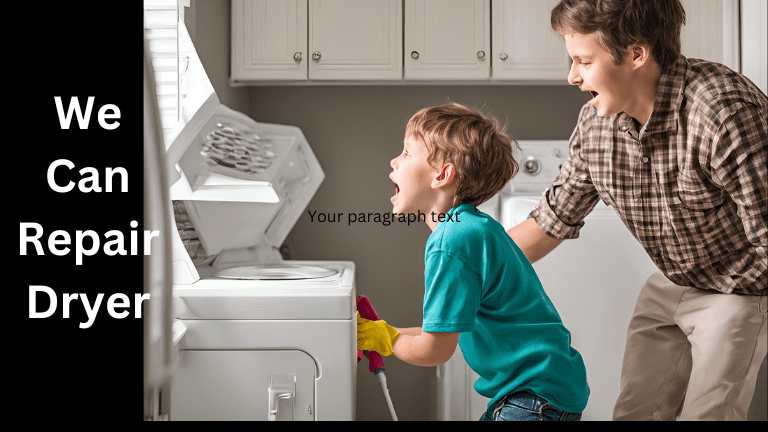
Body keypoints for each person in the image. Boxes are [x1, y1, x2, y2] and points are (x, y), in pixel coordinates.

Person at [506, 0, 767, 421]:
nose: (571, 76)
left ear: (635, 55)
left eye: (583, 61)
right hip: (672, 282)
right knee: (634, 413)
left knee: (709, 415)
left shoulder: (722, 113)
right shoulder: (596, 126)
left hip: (738, 287)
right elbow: (551, 221)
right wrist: (471, 266)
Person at [357, 103, 590, 421]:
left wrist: (383, 338)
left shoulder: (451, 241)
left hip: (531, 397)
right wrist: (381, 332)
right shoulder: (476, 227)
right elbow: (438, 332)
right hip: (543, 389)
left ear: (441, 175)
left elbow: (435, 350)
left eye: (407, 153)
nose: (394, 161)